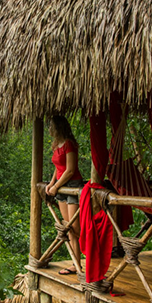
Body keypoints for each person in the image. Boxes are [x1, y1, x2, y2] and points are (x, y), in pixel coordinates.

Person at [45, 115, 83, 275]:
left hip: (72, 185)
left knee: (75, 227)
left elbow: (70, 170)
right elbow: (57, 167)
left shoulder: (69, 144)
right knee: (67, 228)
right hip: (61, 187)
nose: (49, 129)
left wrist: (56, 186)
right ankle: (75, 263)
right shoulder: (56, 145)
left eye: (51, 126)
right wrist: (51, 183)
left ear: (58, 127)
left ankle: (80, 263)